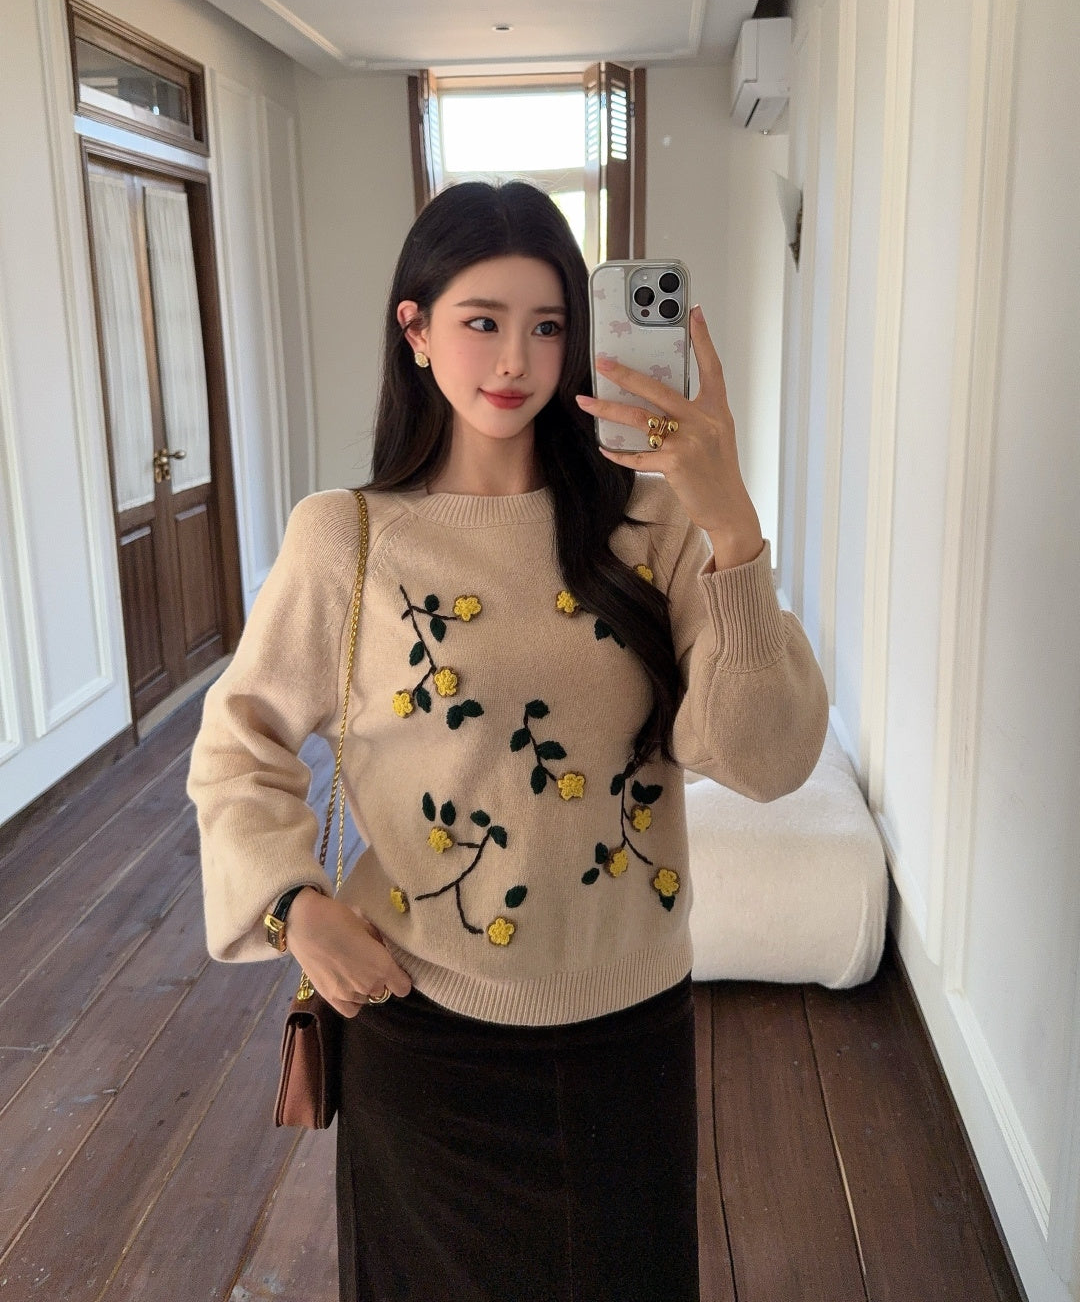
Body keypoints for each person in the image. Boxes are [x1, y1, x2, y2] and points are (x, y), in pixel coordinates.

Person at [187, 180, 828, 1302]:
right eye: (482, 321)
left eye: (548, 325)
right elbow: (238, 746)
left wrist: (730, 520)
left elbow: (767, 762)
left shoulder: (657, 526)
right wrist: (295, 907)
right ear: (415, 328)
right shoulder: (346, 540)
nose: (516, 360)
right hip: (425, 1033)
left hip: (630, 1031)